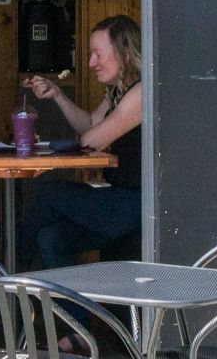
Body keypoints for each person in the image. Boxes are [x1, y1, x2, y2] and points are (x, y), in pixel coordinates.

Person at [19, 14, 144, 270]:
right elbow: (89, 124)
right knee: (51, 239)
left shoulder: (142, 92)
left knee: (48, 192)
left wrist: (61, 146)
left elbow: (91, 140)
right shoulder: (120, 92)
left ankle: (6, 276)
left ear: (126, 54)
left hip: (136, 204)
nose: (90, 62)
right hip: (120, 199)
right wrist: (58, 95)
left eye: (98, 54)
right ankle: (76, 312)